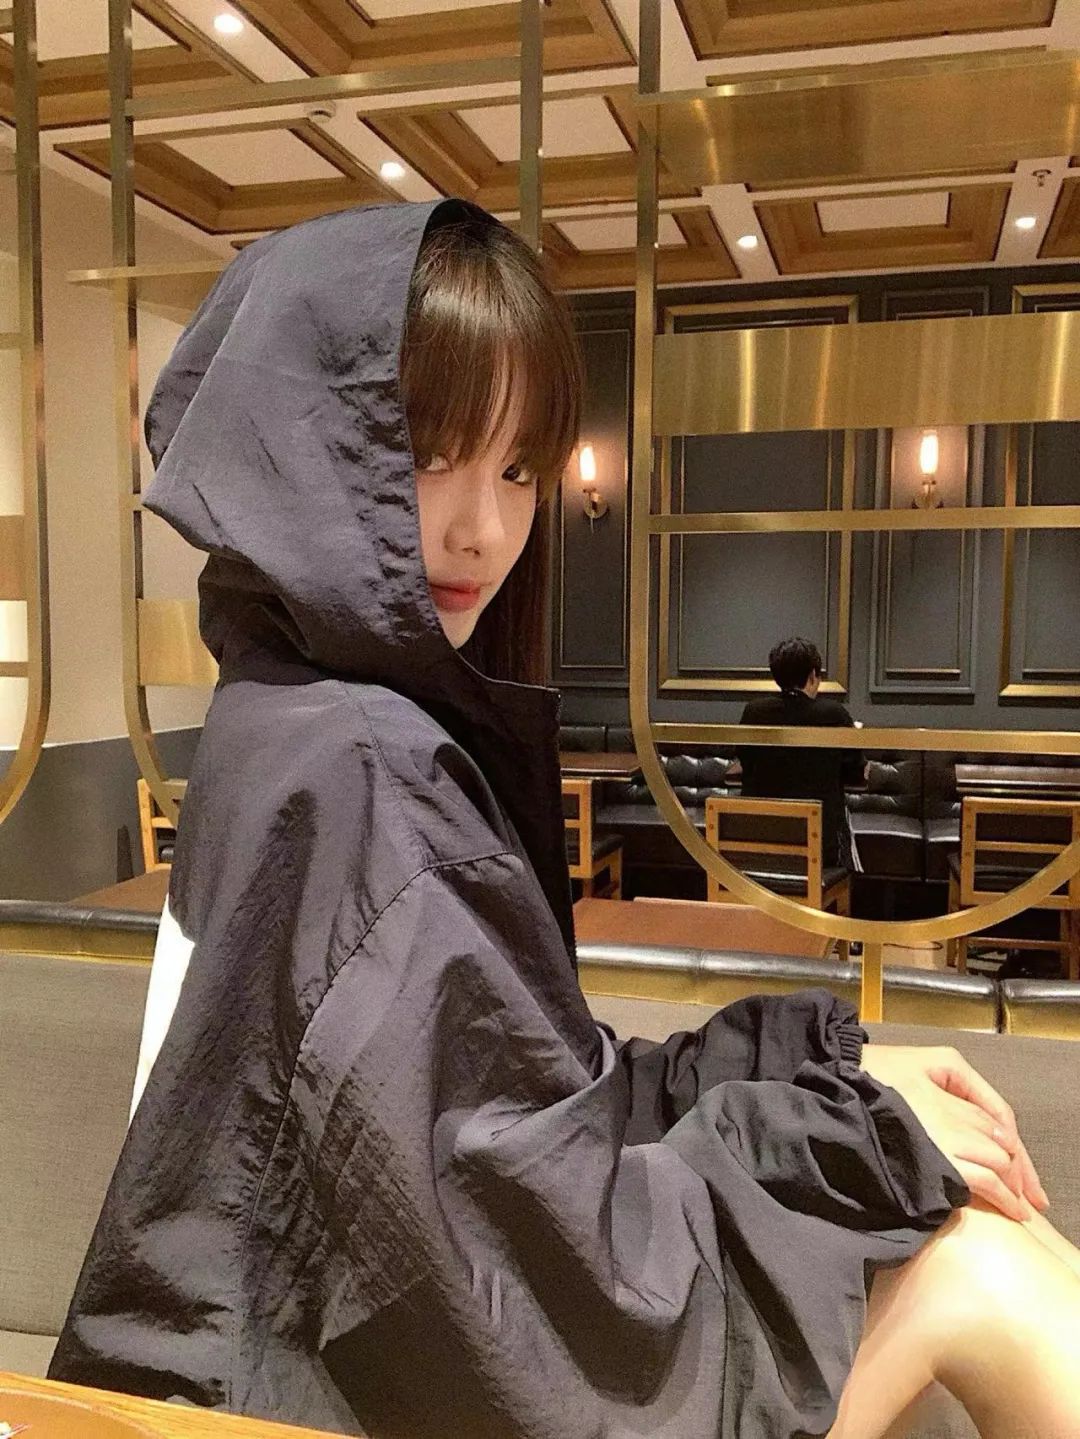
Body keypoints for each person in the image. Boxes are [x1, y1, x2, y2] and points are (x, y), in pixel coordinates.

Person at [49, 200, 1080, 1439]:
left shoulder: (285, 709)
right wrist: (843, 1131)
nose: (480, 527)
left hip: (254, 1370)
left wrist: (828, 1079)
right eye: (426, 453)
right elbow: (543, 1306)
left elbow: (526, 1109)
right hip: (278, 1410)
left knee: (966, 1229)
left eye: (518, 467)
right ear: (313, 453)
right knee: (984, 1268)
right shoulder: (361, 761)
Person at [738, 637, 865, 867]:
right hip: (821, 852)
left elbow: (745, 761)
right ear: (813, 675)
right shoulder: (833, 714)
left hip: (759, 844)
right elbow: (855, 770)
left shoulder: (754, 712)